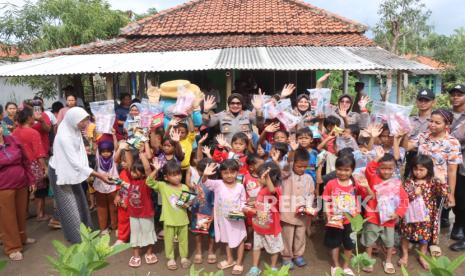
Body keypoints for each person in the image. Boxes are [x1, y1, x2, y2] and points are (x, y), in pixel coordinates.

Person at [48, 107, 112, 244]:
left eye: (86, 120)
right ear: (73, 120)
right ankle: (77, 240)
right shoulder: (64, 137)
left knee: (81, 201)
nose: (85, 124)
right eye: (82, 121)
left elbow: (79, 153)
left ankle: (87, 234)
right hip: (61, 172)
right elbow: (75, 162)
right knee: (69, 207)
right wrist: (99, 175)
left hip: (73, 171)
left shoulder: (74, 130)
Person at [407, 109, 462, 255]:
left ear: (447, 124)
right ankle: (415, 238)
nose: (432, 125)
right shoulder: (423, 136)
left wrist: (451, 194)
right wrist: (400, 133)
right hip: (418, 183)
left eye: (437, 122)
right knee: (416, 211)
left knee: (434, 214)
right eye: (431, 121)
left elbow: (451, 171)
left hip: (437, 186)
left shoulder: (452, 143)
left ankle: (432, 241)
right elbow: (406, 146)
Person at [322, 155, 372, 275]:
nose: (342, 172)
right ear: (335, 169)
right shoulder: (331, 184)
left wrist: (367, 187)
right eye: (339, 169)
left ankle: (346, 266)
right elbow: (325, 199)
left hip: (352, 221)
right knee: (335, 244)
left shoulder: (356, 184)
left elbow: (371, 197)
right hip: (335, 220)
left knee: (349, 245)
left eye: (346, 170)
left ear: (352, 170)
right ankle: (336, 266)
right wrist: (327, 214)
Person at [362, 150, 408, 274]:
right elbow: (369, 169)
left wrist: (398, 213)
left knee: (389, 242)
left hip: (389, 219)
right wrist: (377, 158)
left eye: (390, 168)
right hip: (373, 217)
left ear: (394, 168)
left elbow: (404, 200)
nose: (386, 171)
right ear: (378, 168)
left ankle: (388, 261)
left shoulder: (396, 183)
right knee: (369, 241)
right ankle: (368, 261)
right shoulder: (373, 178)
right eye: (383, 168)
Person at [399, 155, 447, 270]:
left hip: (426, 217)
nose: (418, 172)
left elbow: (444, 193)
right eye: (415, 169)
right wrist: (414, 193)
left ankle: (422, 256)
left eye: (421, 170)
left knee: (424, 238)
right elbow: (403, 197)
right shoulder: (409, 182)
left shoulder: (432, 183)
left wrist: (442, 180)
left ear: (429, 170)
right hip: (410, 216)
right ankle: (405, 255)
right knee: (406, 235)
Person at [0, 120, 36, 261]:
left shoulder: (13, 140)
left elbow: (25, 161)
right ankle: (12, 247)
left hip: (20, 183)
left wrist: (31, 179)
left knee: (21, 213)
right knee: (7, 218)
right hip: (3, 187)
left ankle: (22, 238)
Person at [203, 160, 247, 275]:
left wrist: (243, 209)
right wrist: (205, 174)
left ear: (237, 172)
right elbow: (205, 182)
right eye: (225, 173)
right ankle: (230, 259)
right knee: (227, 239)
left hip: (237, 219)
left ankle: (238, 262)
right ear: (221, 173)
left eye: (232, 172)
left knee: (240, 239)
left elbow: (243, 201)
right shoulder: (218, 184)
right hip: (223, 220)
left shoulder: (240, 186)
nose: (229, 175)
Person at [147, 160, 191, 270]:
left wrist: (187, 204)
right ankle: (170, 258)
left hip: (183, 219)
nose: (177, 177)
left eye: (179, 174)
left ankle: (184, 257)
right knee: (168, 241)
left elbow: (187, 204)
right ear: (166, 177)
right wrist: (156, 170)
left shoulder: (185, 187)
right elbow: (148, 182)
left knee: (184, 240)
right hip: (169, 220)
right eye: (173, 175)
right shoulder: (163, 186)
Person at [246, 162, 283, 276]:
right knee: (256, 247)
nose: (258, 179)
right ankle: (254, 267)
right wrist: (251, 203)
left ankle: (273, 267)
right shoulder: (261, 189)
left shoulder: (276, 189)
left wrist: (267, 178)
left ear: (270, 178)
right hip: (259, 225)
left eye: (260, 177)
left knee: (274, 249)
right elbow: (259, 201)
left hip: (271, 228)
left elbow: (271, 191)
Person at [12, 108, 49, 221]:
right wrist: (44, 167)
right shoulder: (33, 132)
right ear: (28, 118)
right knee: (40, 189)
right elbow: (39, 153)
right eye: (33, 115)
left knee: (25, 190)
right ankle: (40, 214)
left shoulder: (15, 132)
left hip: (20, 164)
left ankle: (25, 213)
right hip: (34, 164)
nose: (34, 117)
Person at [280, 148, 314, 269]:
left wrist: (309, 207)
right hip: (287, 212)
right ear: (293, 163)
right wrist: (292, 153)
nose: (302, 169)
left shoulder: (309, 178)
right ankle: (286, 256)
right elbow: (286, 166)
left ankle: (298, 255)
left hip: (302, 213)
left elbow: (311, 194)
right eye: (299, 166)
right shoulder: (287, 175)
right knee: (287, 235)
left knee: (300, 235)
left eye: (305, 167)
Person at [448, 84, 465, 251]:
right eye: (453, 94)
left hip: (461, 163)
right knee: (456, 196)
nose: (455, 97)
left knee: (461, 196)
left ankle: (461, 230)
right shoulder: (447, 114)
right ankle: (458, 226)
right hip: (446, 162)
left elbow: (455, 138)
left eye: (460, 94)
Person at [405, 89, 436, 178]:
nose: (423, 103)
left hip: (430, 157)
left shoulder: (436, 120)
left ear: (433, 102)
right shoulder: (409, 120)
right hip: (411, 156)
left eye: (426, 100)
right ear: (417, 102)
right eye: (420, 100)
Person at [94, 140, 119, 235]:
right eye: (103, 151)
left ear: (112, 152)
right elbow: (96, 149)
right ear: (99, 152)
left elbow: (116, 148)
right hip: (100, 187)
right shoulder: (98, 158)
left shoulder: (114, 159)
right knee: (101, 208)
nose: (105, 153)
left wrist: (113, 136)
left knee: (114, 207)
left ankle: (115, 226)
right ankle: (103, 228)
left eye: (108, 151)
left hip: (112, 186)